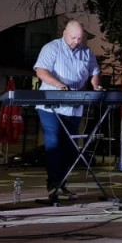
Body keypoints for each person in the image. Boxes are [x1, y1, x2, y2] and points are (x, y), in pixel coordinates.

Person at [33, 20, 101, 203]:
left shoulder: (87, 52)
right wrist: (59, 85)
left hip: (74, 107)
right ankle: (53, 185)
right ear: (64, 33)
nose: (76, 41)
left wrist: (96, 86)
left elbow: (94, 71)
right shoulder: (51, 48)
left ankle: (62, 184)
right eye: (73, 38)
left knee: (71, 148)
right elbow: (41, 70)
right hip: (51, 106)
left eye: (79, 38)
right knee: (54, 143)